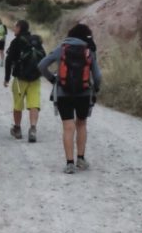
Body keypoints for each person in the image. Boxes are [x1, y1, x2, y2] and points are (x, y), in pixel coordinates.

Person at [39, 24, 102, 174]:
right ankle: (81, 159)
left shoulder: (61, 49)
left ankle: (69, 164)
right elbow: (98, 76)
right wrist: (96, 88)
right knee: (81, 124)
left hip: (63, 93)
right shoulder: (89, 51)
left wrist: (53, 80)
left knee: (68, 127)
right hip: (84, 93)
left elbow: (41, 65)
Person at [4, 19, 45, 143]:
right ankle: (32, 129)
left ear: (20, 28)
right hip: (35, 78)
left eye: (15, 26)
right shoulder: (36, 41)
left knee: (18, 104)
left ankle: (17, 129)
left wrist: (6, 78)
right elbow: (44, 57)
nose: (14, 28)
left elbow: (8, 60)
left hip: (20, 78)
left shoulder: (16, 42)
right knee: (34, 104)